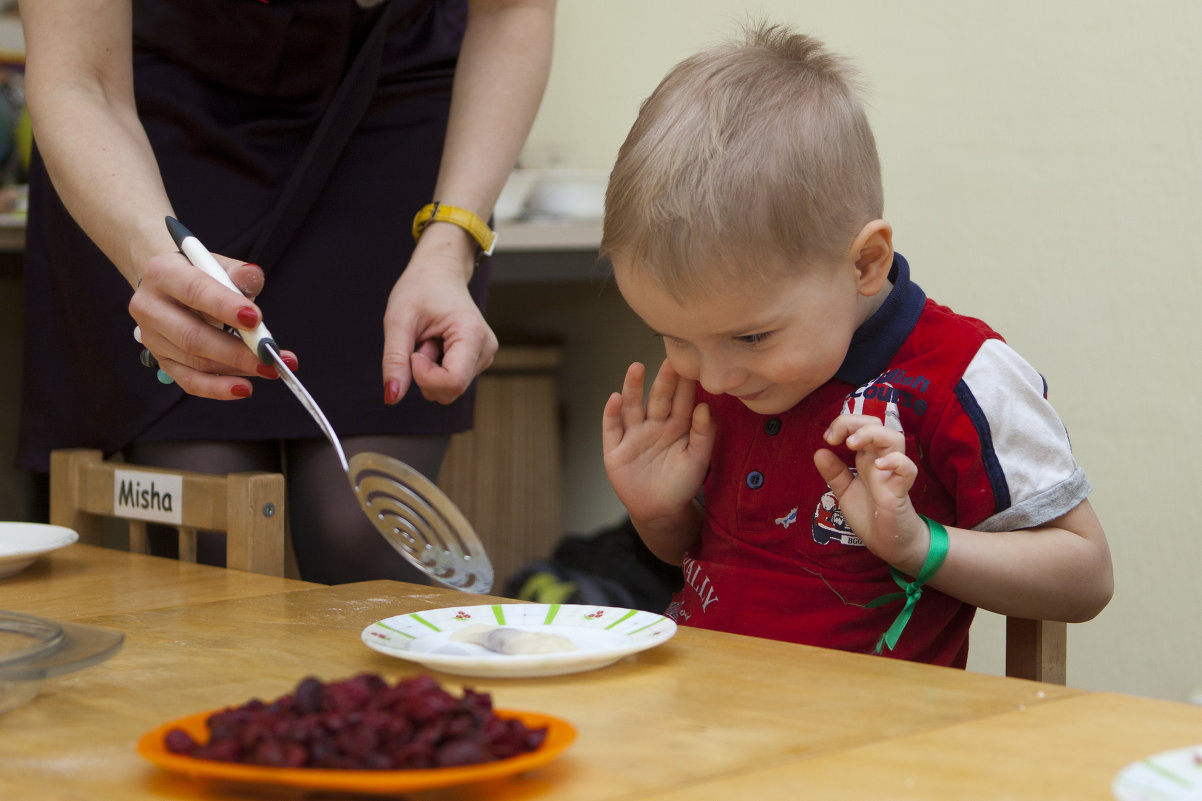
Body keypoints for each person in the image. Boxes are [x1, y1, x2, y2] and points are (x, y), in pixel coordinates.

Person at [599, 23, 1113, 667]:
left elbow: (1087, 576)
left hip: (876, 745)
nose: (717, 377)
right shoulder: (736, 367)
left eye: (752, 336)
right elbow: (721, 563)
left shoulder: (964, 376)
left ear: (866, 262)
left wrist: (916, 545)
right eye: (674, 337)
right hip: (706, 715)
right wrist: (659, 515)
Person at [16, 0, 555, 584]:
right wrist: (154, 258)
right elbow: (79, 81)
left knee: (359, 533)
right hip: (153, 117)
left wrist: (450, 244)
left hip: (391, 95)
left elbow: (513, 9)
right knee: (209, 537)